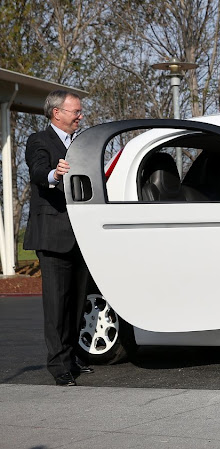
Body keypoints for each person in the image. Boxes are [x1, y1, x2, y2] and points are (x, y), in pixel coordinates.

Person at [24, 90, 94, 386]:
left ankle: (72, 356)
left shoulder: (81, 143)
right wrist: (55, 173)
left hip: (83, 236)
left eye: (80, 111)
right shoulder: (39, 140)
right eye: (76, 111)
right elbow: (39, 171)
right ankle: (59, 366)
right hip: (53, 235)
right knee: (57, 304)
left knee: (77, 301)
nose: (80, 116)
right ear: (57, 113)